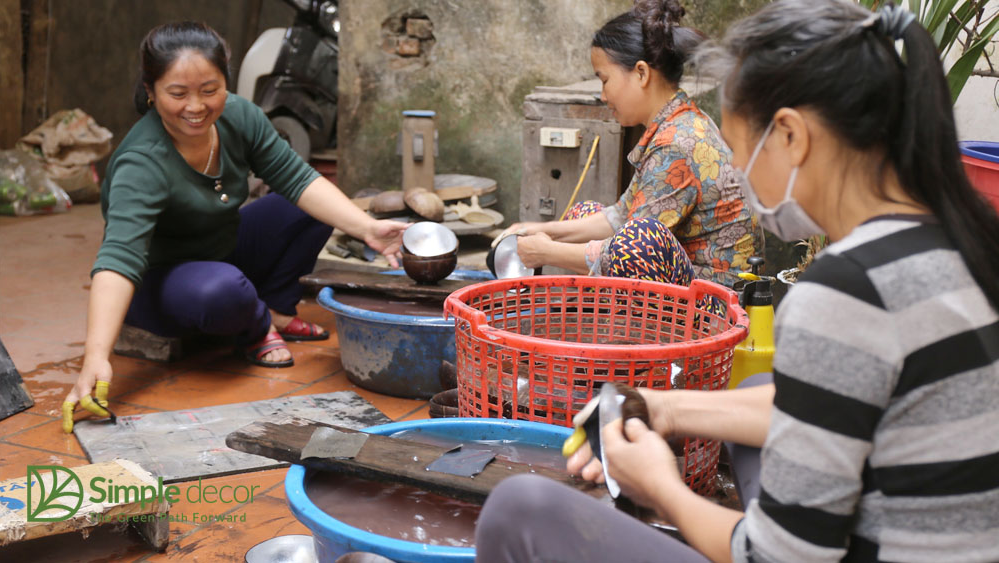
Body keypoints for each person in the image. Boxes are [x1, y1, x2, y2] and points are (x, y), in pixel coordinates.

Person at [475, 1, 999, 561]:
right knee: (754, 394)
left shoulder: (846, 291)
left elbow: (778, 557)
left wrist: (661, 488)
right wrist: (664, 407)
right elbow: (824, 404)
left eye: (742, 148)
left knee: (519, 510)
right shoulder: (964, 239)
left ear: (792, 137)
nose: (738, 173)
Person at [61, 22, 407, 433]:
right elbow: (119, 259)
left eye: (210, 90)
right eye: (178, 93)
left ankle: (275, 308)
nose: (196, 106)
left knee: (313, 206)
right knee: (223, 290)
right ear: (151, 92)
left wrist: (367, 227)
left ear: (226, 81)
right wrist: (96, 355)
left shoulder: (239, 116)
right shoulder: (142, 161)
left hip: (222, 249)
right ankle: (256, 324)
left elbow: (297, 179)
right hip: (164, 284)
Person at [501, 0, 761, 288]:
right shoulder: (673, 124)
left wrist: (548, 251)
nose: (602, 95)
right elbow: (621, 215)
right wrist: (540, 229)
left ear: (641, 73)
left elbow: (634, 249)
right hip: (687, 280)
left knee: (635, 238)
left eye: (605, 80)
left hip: (716, 303)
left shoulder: (676, 143)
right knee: (584, 215)